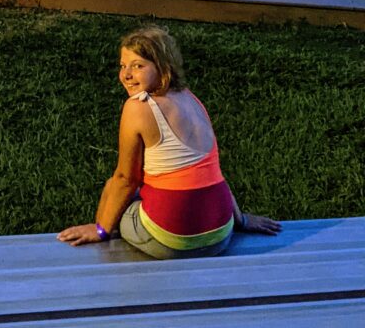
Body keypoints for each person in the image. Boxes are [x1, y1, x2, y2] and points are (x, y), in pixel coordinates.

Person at [57, 24, 281, 258]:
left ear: (163, 66)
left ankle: (104, 234)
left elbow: (126, 179)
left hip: (172, 241)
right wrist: (241, 219)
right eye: (123, 66)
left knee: (112, 189)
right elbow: (211, 170)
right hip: (220, 234)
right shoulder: (190, 99)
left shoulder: (138, 108)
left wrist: (102, 229)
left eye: (138, 66)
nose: (126, 75)